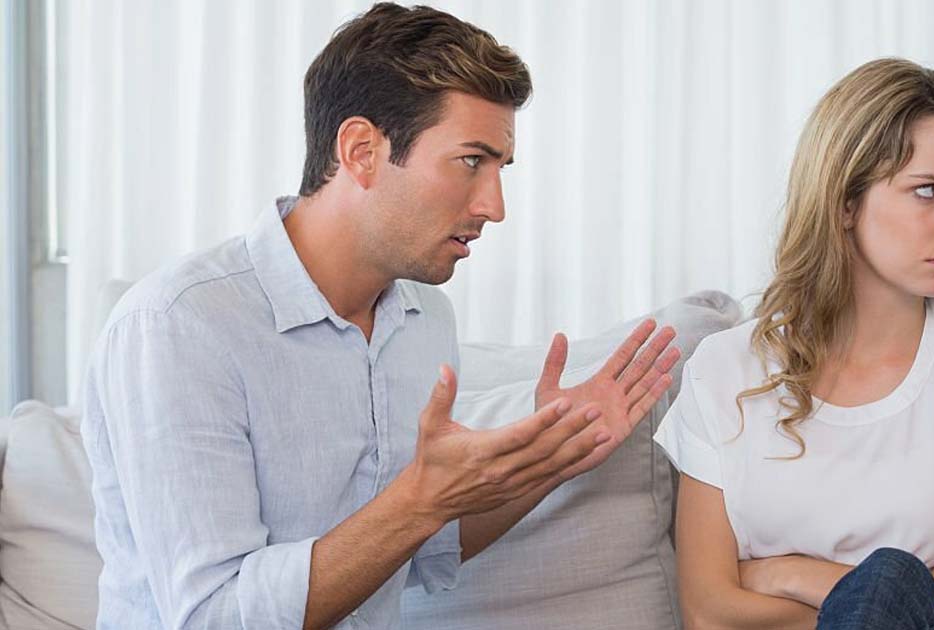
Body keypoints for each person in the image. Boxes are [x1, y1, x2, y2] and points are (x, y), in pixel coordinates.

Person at [80, 4, 680, 629]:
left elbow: (422, 549)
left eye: (501, 169)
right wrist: (420, 500)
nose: (495, 206)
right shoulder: (178, 326)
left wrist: (552, 456)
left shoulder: (424, 317)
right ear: (361, 150)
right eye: (472, 161)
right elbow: (213, 616)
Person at [654, 58, 934, 629]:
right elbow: (710, 616)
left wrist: (791, 572)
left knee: (891, 578)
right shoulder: (725, 373)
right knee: (891, 581)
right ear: (845, 202)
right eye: (928, 191)